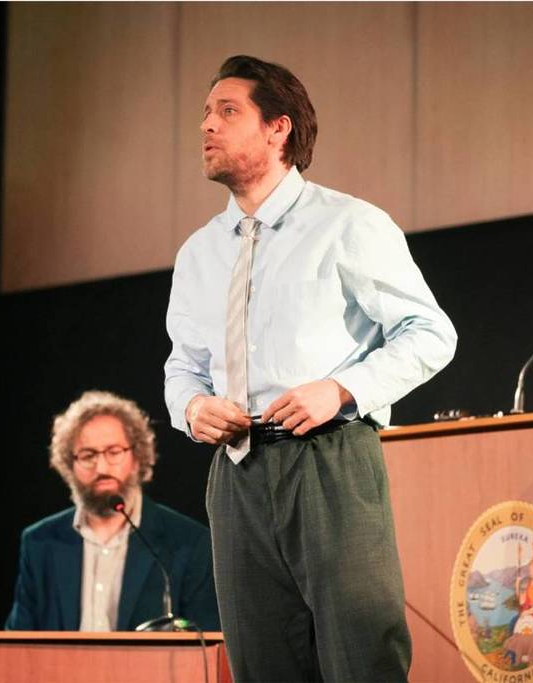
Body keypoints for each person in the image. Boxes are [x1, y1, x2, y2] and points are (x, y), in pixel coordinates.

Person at [164, 55, 457, 681]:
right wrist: (191, 407)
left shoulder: (347, 224)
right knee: (261, 663)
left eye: (227, 111)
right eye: (204, 113)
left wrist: (342, 388)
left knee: (361, 656)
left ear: (279, 129)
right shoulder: (198, 253)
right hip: (236, 471)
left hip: (328, 460)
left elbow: (432, 333)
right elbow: (182, 366)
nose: (205, 126)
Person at [5, 390, 220, 632]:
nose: (102, 466)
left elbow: (206, 645)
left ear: (137, 456)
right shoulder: (39, 542)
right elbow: (19, 642)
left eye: (114, 452)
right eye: (88, 455)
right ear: (69, 464)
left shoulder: (189, 543)